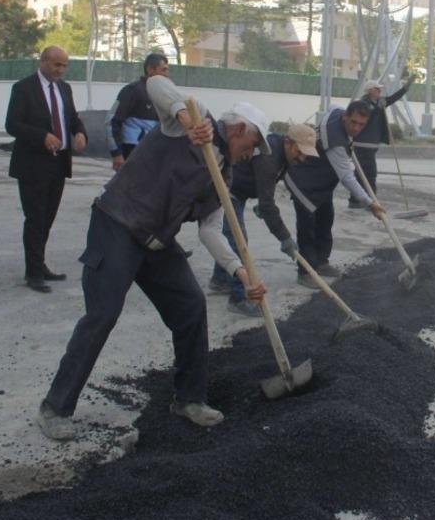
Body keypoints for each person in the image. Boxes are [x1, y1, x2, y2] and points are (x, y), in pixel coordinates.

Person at [36, 79, 271, 440]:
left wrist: (239, 273)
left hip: (157, 241)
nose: (250, 154)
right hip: (117, 224)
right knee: (103, 315)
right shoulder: (191, 122)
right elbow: (156, 84)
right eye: (252, 145)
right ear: (238, 129)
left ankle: (190, 399)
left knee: (191, 306)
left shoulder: (224, 173)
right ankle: (56, 407)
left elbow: (211, 229)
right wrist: (185, 116)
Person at [208, 123, 319, 316]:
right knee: (239, 240)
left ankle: (219, 280)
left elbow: (266, 190)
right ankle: (239, 297)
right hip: (227, 190)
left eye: (306, 154)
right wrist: (284, 238)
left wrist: (262, 202)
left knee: (232, 239)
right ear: (288, 142)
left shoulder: (282, 153)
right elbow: (268, 204)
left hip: (239, 191)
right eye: (300, 151)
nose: (302, 158)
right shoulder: (269, 158)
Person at [5, 46, 87, 293]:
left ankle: (40, 264)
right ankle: (33, 272)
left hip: (59, 162)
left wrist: (80, 132)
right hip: (33, 163)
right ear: (42, 62)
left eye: (64, 65)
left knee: (48, 216)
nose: (60, 70)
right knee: (35, 217)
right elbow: (12, 124)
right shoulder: (23, 88)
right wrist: (41, 136)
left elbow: (71, 117)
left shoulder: (64, 88)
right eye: (56, 64)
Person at [286, 100, 386, 288]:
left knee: (326, 218)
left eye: (361, 124)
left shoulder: (336, 112)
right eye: (353, 122)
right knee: (307, 225)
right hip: (303, 178)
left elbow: (333, 105)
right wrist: (369, 203)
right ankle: (306, 271)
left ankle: (321, 262)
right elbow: (347, 177)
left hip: (322, 181)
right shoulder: (336, 143)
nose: (356, 128)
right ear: (345, 117)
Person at [349, 73, 413, 207]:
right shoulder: (363, 103)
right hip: (362, 145)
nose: (380, 91)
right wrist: (378, 107)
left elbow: (391, 99)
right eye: (377, 89)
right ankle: (371, 202)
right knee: (369, 174)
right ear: (370, 90)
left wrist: (405, 89)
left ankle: (356, 200)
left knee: (361, 173)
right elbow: (367, 113)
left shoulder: (378, 102)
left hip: (371, 145)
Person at [105, 52, 166, 172]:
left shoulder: (162, 94)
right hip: (132, 154)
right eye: (163, 70)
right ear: (150, 69)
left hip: (153, 154)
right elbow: (111, 122)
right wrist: (116, 153)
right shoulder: (132, 91)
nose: (166, 75)